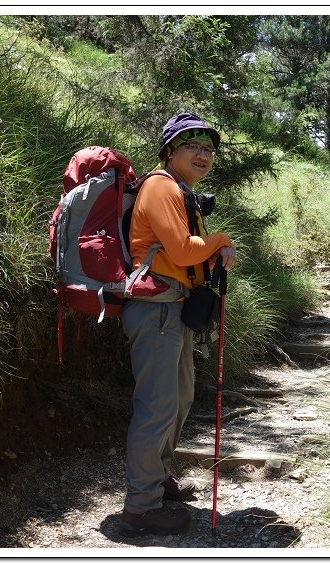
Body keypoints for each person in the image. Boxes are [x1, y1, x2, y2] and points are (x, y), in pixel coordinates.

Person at [118, 112, 236, 536]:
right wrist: (220, 242)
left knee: (180, 399)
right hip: (156, 312)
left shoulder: (179, 191)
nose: (204, 155)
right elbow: (184, 252)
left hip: (173, 309)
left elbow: (187, 253)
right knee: (157, 407)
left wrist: (214, 251)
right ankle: (141, 508)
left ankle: (157, 480)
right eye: (194, 147)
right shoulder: (160, 187)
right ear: (170, 151)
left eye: (208, 149)